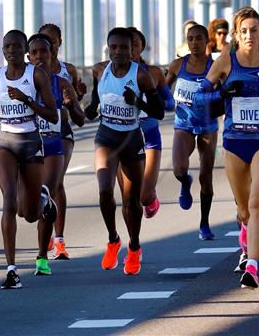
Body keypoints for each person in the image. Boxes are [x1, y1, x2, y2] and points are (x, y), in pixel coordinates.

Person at [196, 7, 259, 288]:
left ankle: (253, 266)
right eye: (244, 31)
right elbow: (202, 95)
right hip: (235, 142)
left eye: (254, 30)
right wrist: (223, 92)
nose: (249, 35)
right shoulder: (226, 62)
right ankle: (244, 232)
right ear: (237, 36)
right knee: (243, 209)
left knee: (256, 201)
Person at [0, 29, 60, 287]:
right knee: (8, 202)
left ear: (24, 50)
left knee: (29, 214)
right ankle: (12, 270)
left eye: (16, 46)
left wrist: (27, 100)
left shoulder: (35, 74)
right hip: (5, 142)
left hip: (30, 142)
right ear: (2, 50)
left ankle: (44, 201)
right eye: (7, 46)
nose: (11, 50)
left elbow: (52, 115)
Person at [85, 27, 165, 276]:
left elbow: (159, 112)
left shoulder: (141, 75)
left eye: (124, 48)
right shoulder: (100, 70)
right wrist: (80, 107)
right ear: (108, 48)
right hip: (106, 137)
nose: (118, 52)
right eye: (114, 47)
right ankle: (112, 239)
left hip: (131, 139)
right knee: (105, 190)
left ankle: (134, 247)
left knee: (131, 202)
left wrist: (137, 102)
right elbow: (94, 107)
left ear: (133, 51)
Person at [27, 34, 85, 264]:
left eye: (45, 51)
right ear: (29, 56)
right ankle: (45, 228)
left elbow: (80, 118)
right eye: (35, 52)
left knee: (53, 185)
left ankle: (58, 240)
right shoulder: (22, 81)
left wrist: (72, 103)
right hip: (32, 141)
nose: (40, 56)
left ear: (53, 53)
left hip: (60, 136)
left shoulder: (62, 80)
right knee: (31, 201)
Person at [165, 23, 219, 240]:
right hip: (184, 123)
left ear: (207, 42)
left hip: (208, 125)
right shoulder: (178, 64)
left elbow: (224, 93)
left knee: (206, 178)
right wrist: (166, 101)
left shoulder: (215, 67)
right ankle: (184, 182)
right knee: (179, 168)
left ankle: (204, 223)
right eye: (191, 39)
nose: (194, 43)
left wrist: (212, 99)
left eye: (199, 38)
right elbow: (163, 89)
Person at [127, 27, 175, 219]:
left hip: (150, 136)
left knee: (145, 197)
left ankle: (151, 198)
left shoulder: (154, 73)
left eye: (135, 45)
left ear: (141, 48)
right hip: (124, 138)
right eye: (127, 45)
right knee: (130, 196)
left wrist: (153, 103)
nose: (130, 50)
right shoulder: (110, 74)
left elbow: (170, 103)